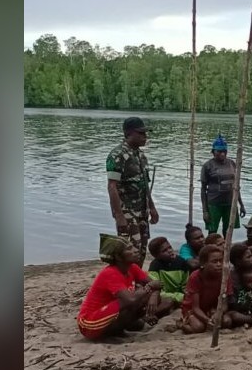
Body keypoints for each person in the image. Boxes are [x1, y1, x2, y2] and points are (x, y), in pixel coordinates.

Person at [77, 237, 171, 340]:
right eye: (129, 249)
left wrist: (153, 294)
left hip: (109, 313)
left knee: (156, 299)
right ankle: (116, 331)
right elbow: (131, 298)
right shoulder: (110, 273)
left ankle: (123, 327)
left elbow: (156, 284)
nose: (135, 250)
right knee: (131, 300)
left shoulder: (132, 267)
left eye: (133, 247)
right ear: (118, 257)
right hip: (89, 323)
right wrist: (150, 287)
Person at [106, 117, 159, 266]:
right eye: (141, 133)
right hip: (127, 211)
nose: (145, 137)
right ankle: (125, 283)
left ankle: (137, 284)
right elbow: (112, 186)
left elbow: (145, 185)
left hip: (142, 210)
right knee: (129, 251)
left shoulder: (141, 156)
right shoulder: (117, 155)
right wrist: (119, 216)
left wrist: (152, 208)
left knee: (141, 250)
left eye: (145, 133)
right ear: (129, 133)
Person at [200, 134, 246, 237]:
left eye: (224, 151)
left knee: (228, 230)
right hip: (214, 204)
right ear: (213, 152)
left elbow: (236, 187)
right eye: (219, 151)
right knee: (212, 232)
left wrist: (241, 205)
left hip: (230, 204)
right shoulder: (208, 166)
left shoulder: (231, 164)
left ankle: (226, 249)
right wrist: (205, 211)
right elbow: (203, 190)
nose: (222, 154)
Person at [181, 245, 234, 334]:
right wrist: (207, 320)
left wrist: (217, 313)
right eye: (214, 261)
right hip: (194, 310)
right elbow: (195, 307)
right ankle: (183, 323)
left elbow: (224, 304)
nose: (219, 264)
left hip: (212, 309)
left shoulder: (225, 275)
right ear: (203, 264)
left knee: (227, 322)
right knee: (198, 327)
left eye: (220, 261)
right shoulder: (196, 277)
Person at [147, 237, 193, 306]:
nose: (170, 251)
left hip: (180, 296)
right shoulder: (155, 266)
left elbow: (185, 285)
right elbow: (156, 289)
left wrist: (186, 295)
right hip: (165, 297)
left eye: (170, 247)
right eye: (164, 250)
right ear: (157, 256)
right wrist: (178, 297)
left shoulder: (182, 262)